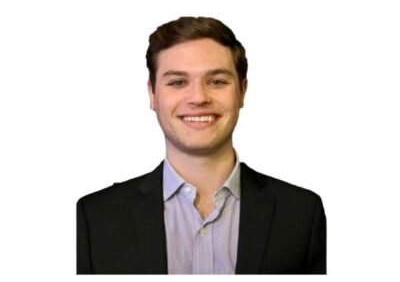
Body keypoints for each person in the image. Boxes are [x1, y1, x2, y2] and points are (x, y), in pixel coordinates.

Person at [77, 16, 326, 274]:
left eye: (217, 81)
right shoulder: (92, 219)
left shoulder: (303, 214)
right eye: (177, 82)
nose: (198, 98)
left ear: (242, 91)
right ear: (152, 94)